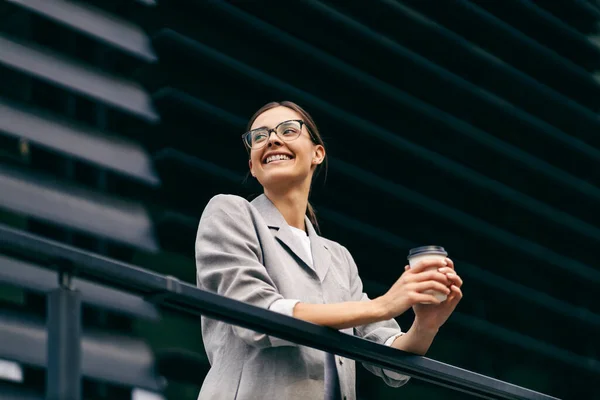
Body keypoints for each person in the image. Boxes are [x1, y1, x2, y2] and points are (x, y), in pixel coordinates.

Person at [195, 101, 463, 400]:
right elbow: (256, 318)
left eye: (288, 130)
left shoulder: (338, 257)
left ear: (317, 154)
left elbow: (391, 361)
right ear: (253, 166)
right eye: (259, 136)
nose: (271, 139)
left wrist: (426, 324)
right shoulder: (231, 212)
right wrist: (385, 305)